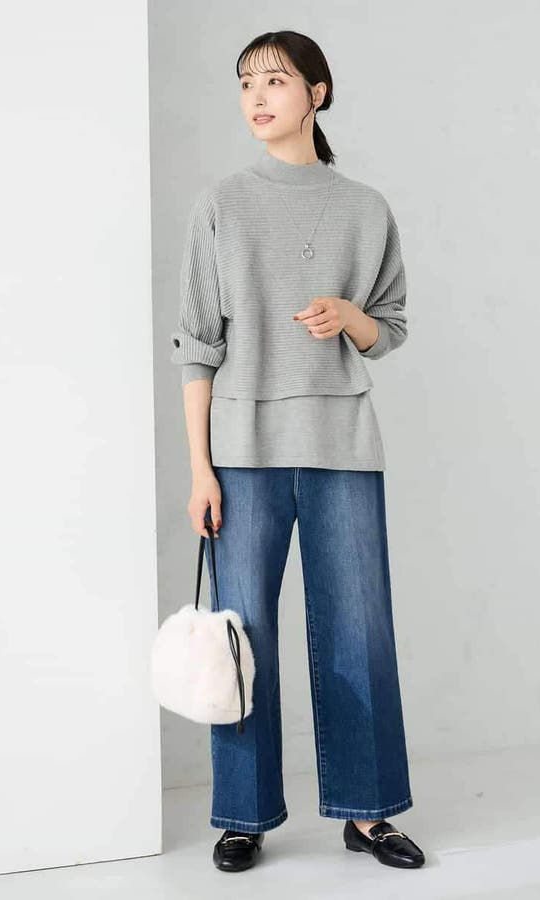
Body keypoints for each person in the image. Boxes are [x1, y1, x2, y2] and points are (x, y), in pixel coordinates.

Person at [170, 30, 426, 872]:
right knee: (241, 634)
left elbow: (389, 327)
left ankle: (368, 812)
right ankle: (243, 814)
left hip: (341, 442)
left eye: (275, 80)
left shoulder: (365, 208)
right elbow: (196, 345)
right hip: (241, 451)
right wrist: (200, 469)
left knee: (359, 628)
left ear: (317, 93)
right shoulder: (221, 204)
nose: (257, 96)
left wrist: (350, 317)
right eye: (246, 82)